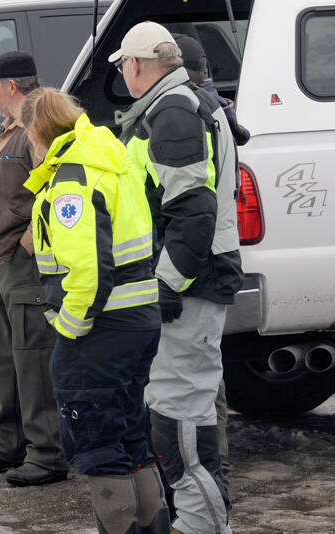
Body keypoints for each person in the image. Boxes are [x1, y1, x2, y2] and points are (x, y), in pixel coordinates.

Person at [110, 22, 243, 534]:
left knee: (179, 419)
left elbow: (193, 212)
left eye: (123, 64)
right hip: (196, 278)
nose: (123, 73)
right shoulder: (182, 104)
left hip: (191, 283)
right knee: (179, 413)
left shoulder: (173, 112)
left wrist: (163, 285)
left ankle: (203, 526)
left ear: (137, 65)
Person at [20, 87, 169, 533]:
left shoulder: (71, 178)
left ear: (37, 130)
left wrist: (70, 329)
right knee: (130, 438)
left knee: (99, 446)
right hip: (138, 317)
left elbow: (88, 266)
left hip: (100, 328)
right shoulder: (110, 157)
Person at [0, 51, 68, 486]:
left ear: (11, 87)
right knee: (5, 360)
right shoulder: (9, 132)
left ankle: (47, 453)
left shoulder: (35, 129)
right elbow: (22, 190)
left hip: (26, 265)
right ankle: (9, 444)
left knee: (32, 361)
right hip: (3, 264)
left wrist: (27, 242)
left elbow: (58, 187)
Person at [175, 31, 251, 492]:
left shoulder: (195, 114)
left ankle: (211, 470)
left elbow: (195, 204)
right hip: (219, 254)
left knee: (201, 374)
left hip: (202, 262)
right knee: (208, 367)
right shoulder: (217, 109)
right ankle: (211, 467)